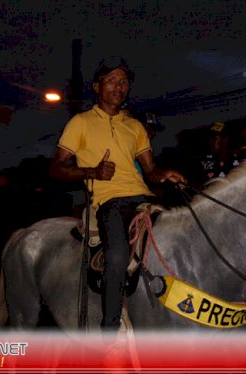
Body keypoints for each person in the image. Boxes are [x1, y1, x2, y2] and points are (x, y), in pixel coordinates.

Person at [48, 56, 187, 332]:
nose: (118, 86)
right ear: (97, 87)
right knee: (117, 256)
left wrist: (166, 173)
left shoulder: (134, 126)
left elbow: (151, 171)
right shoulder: (81, 122)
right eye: (111, 80)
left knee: (180, 239)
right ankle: (110, 329)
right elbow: (55, 168)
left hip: (144, 199)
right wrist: (92, 172)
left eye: (123, 82)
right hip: (110, 202)